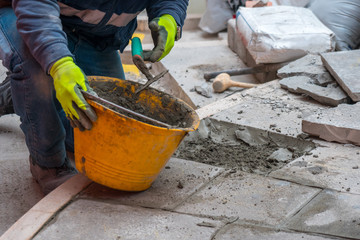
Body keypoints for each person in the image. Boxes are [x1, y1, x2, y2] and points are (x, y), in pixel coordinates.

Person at [0, 0, 188, 195]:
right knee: (37, 70)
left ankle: (21, 97)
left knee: (102, 134)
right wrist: (59, 65)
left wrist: (170, 16)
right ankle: (49, 165)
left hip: (95, 36)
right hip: (25, 15)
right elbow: (34, 5)